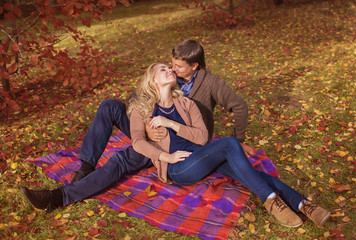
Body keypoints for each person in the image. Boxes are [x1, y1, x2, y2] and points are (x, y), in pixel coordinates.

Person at [20, 39, 253, 212]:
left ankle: (57, 198)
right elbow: (137, 99)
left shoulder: (209, 84)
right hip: (151, 128)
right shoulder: (164, 78)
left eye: (176, 66)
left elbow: (236, 108)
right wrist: (141, 123)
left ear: (194, 66)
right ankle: (86, 168)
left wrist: (239, 141)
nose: (172, 69)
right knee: (110, 105)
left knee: (121, 160)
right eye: (169, 65)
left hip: (174, 139)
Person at [128, 63, 330, 228]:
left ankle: (304, 205)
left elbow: (201, 137)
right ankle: (271, 200)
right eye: (163, 69)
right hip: (179, 167)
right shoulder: (143, 109)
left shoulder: (187, 104)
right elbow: (137, 141)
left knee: (251, 173)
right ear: (153, 79)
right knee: (230, 144)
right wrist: (167, 157)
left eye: (170, 68)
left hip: (203, 154)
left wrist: (171, 123)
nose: (170, 70)